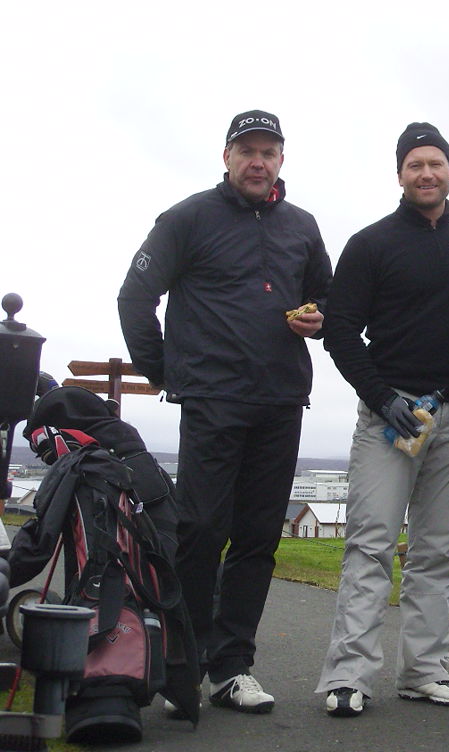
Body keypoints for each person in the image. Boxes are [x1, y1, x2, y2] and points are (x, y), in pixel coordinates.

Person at [118, 110, 331, 715]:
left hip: (281, 400)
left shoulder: (303, 225)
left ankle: (232, 667)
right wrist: (163, 371)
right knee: (200, 532)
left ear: (281, 160)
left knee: (258, 539)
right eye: (247, 151)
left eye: (269, 152)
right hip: (212, 401)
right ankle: (181, 667)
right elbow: (135, 296)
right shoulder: (187, 218)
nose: (258, 162)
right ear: (227, 156)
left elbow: (327, 297)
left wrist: (320, 318)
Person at [316, 123, 449, 718]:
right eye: (415, 164)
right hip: (388, 416)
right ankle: (349, 676)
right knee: (370, 546)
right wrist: (380, 395)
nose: (426, 173)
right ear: (399, 174)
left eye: (435, 163)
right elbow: (341, 330)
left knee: (436, 551)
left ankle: (424, 671)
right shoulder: (370, 244)